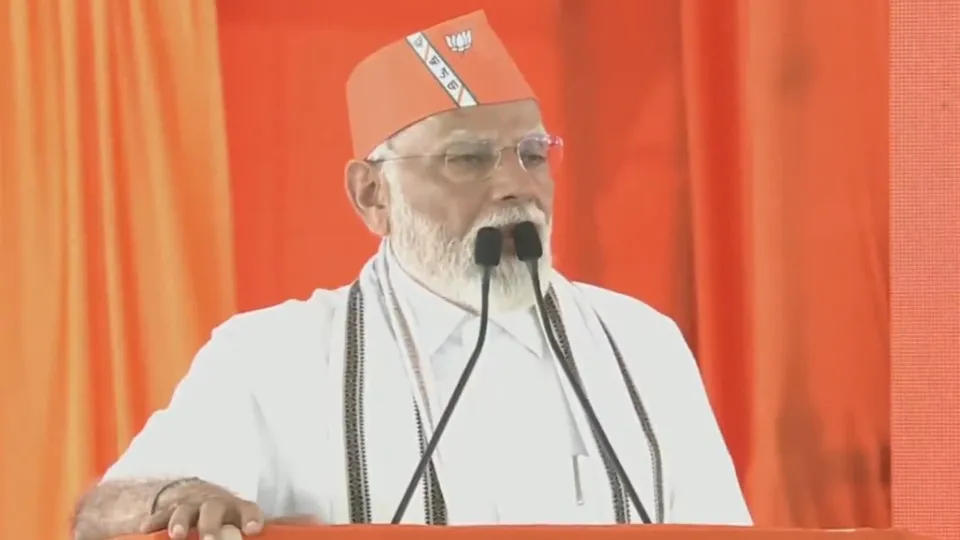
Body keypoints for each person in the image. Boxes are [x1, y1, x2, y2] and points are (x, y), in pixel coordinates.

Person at [72, 10, 752, 540]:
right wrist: (169, 501)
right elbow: (101, 514)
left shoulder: (638, 343)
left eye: (533, 155)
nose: (518, 186)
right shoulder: (269, 359)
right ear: (372, 194)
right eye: (467, 160)